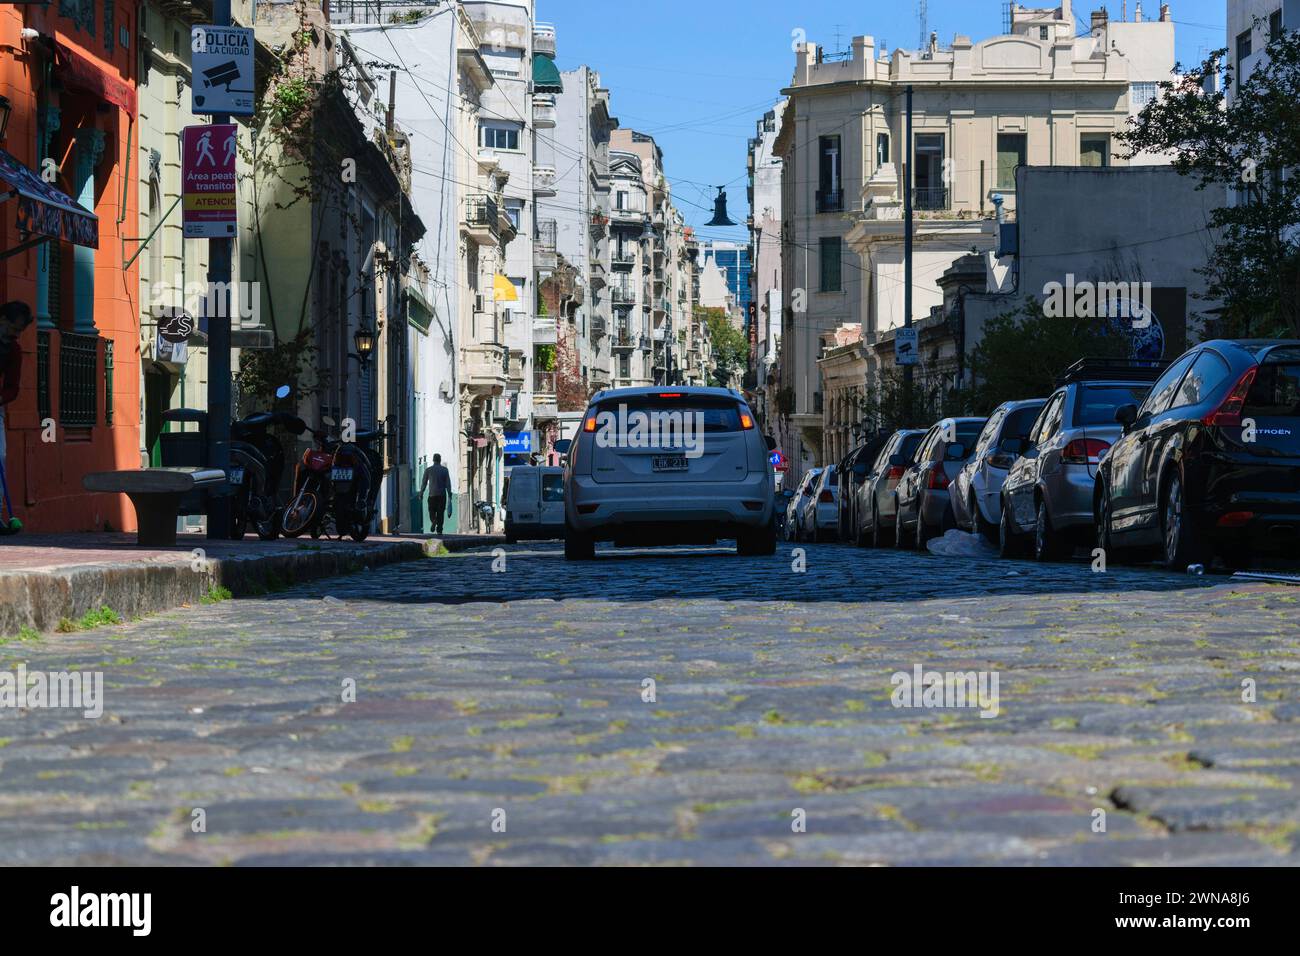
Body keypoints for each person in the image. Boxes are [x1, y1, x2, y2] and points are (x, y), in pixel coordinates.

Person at [0, 302, 35, 483]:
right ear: (3, 320)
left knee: (0, 457)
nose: (17, 335)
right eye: (14, 329)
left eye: (20, 331)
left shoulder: (13, 350)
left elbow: (12, 388)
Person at [419, 453, 453, 534]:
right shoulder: (445, 470)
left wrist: (421, 493)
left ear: (433, 460)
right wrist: (449, 493)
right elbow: (448, 483)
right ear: (440, 460)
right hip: (442, 495)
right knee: (441, 513)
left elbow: (424, 483)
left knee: (431, 511)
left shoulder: (428, 470)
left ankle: (434, 520)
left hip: (432, 495)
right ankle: (439, 530)